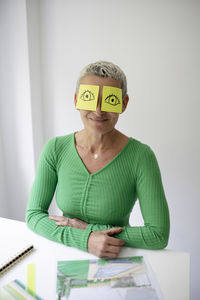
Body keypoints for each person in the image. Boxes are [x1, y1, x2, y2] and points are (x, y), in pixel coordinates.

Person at [26, 61, 170, 258]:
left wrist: (89, 228)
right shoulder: (55, 149)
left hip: (115, 257)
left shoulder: (141, 157)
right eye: (89, 98)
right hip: (64, 253)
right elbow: (33, 215)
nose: (99, 110)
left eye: (110, 100)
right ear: (77, 100)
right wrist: (85, 239)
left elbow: (158, 235)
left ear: (124, 103)